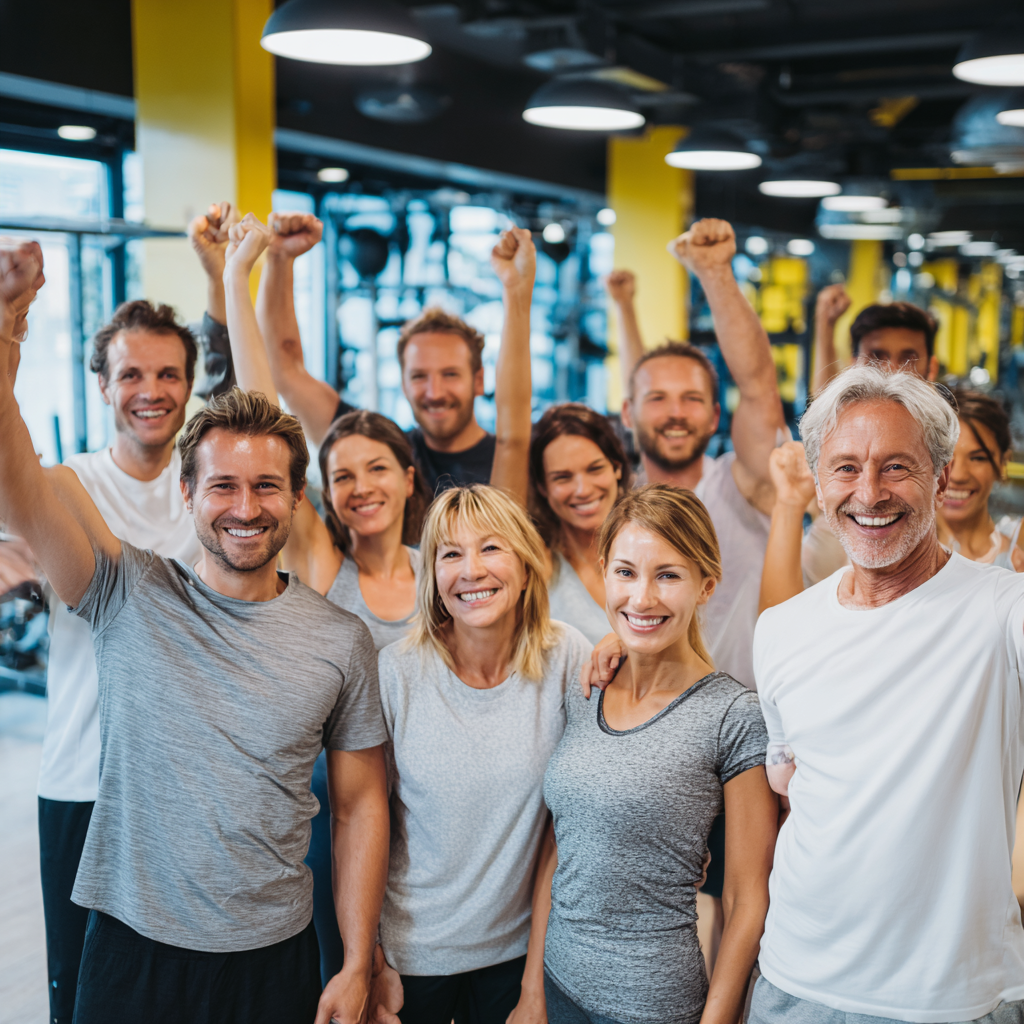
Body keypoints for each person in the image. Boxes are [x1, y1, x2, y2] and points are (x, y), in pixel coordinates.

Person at [0, 241, 390, 1024]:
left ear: (293, 496)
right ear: (188, 493)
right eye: (223, 486)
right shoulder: (127, 590)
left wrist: (356, 960)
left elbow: (361, 808)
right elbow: (20, 490)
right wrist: (9, 331)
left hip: (274, 952)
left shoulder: (339, 640)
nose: (245, 506)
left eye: (266, 486)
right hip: (132, 948)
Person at [220, 211, 536, 985]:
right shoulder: (325, 561)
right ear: (322, 492)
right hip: (347, 808)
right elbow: (269, 399)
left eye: (377, 469)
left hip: (444, 812)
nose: (361, 487)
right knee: (353, 982)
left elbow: (517, 441)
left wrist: (518, 297)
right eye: (343, 475)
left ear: (407, 476)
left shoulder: (445, 569)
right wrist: (239, 277)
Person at [752, 363, 1024, 1022]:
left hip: (951, 1001)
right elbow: (790, 786)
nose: (870, 493)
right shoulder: (780, 630)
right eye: (845, 468)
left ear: (939, 473)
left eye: (896, 467)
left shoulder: (1002, 610)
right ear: (818, 482)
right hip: (793, 983)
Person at [29, 202, 237, 1024]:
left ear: (189, 384)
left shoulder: (217, 490)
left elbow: (246, 383)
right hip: (86, 784)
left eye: (168, 375)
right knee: (84, 1002)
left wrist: (221, 272)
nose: (151, 391)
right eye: (131, 375)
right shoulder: (66, 487)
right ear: (103, 384)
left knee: (188, 996)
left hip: (198, 788)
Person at [525, 485, 776, 1024]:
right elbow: (562, 846)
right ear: (604, 573)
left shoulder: (732, 714)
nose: (642, 599)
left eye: (668, 575)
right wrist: (531, 992)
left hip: (650, 1003)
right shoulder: (586, 685)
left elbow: (747, 899)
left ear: (705, 585)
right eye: (626, 572)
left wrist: (717, 1020)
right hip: (558, 982)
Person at [374, 484, 592, 1024]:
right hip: (411, 958)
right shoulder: (396, 672)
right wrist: (370, 963)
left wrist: (535, 985)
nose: (471, 570)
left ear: (524, 560)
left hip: (519, 954)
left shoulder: (567, 656)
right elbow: (364, 823)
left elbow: (565, 832)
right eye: (450, 554)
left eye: (491, 547)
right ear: (433, 576)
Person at [607, 219, 786, 689]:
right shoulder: (613, 502)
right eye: (658, 400)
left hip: (748, 726)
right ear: (628, 413)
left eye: (691, 399)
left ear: (713, 417)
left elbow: (758, 389)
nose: (674, 414)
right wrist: (624, 308)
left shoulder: (742, 486)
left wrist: (714, 273)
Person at [253, 212, 514, 492]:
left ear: (478, 380)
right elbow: (285, 368)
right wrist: (279, 257)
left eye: (450, 374)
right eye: (418, 376)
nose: (434, 392)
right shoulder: (382, 451)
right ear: (403, 383)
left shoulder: (512, 458)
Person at [526, 403, 632, 645]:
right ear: (542, 486)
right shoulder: (538, 567)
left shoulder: (653, 549)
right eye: (562, 477)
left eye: (595, 469)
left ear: (616, 467)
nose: (583, 490)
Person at [938, 387, 1023, 568]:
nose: (959, 475)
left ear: (1003, 463)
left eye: (978, 458)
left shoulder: (1019, 545)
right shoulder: (893, 548)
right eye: (945, 457)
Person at [810, 285, 939, 394]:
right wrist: (826, 324)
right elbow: (825, 412)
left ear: (931, 367)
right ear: (854, 363)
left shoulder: (950, 423)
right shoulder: (845, 420)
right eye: (876, 357)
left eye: (908, 360)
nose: (892, 370)